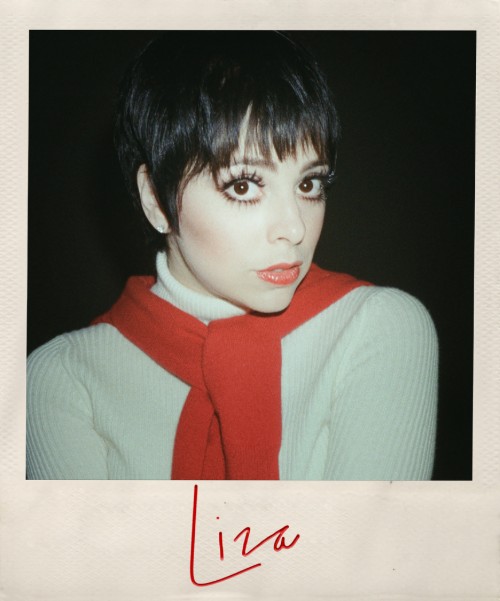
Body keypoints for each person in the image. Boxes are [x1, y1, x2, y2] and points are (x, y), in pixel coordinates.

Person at [26, 32, 438, 480]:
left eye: (309, 184)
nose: (295, 229)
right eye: (243, 186)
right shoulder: (62, 378)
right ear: (155, 200)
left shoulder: (376, 328)